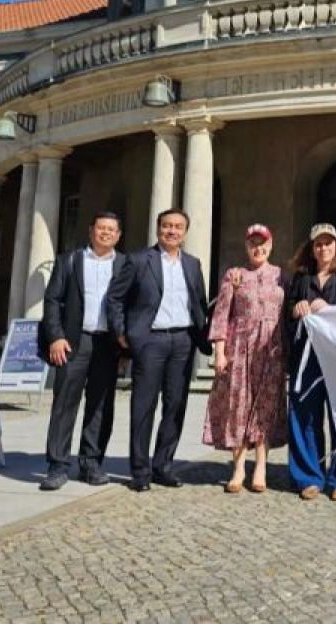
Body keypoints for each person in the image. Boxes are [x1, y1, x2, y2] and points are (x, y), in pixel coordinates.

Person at [107, 208, 208, 492]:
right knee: (143, 406)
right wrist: (123, 333)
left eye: (178, 227)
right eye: (167, 226)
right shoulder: (139, 260)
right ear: (158, 229)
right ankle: (140, 471)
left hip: (183, 341)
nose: (172, 231)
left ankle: (163, 466)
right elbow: (115, 298)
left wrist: (204, 334)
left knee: (175, 406)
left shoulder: (192, 263)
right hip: (150, 341)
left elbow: (199, 301)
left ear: (185, 232)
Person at [38, 211, 128, 491]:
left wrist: (127, 346)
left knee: (101, 405)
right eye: (101, 228)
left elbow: (132, 305)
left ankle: (91, 463)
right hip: (74, 342)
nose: (105, 233)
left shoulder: (126, 264)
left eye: (111, 229)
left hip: (108, 343)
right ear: (91, 230)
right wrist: (55, 337)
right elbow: (52, 300)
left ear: (118, 235)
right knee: (65, 403)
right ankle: (57, 465)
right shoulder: (70, 260)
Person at [202, 224, 288, 494]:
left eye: (262, 243)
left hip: (270, 349)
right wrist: (219, 352)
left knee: (265, 406)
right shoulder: (234, 275)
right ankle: (238, 467)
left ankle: (261, 465)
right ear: (246, 246)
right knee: (238, 406)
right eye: (252, 243)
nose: (257, 248)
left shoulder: (281, 276)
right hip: (239, 347)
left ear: (271, 245)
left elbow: (287, 316)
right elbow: (221, 314)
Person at [285, 223, 336, 501]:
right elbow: (288, 313)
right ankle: (308, 475)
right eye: (318, 244)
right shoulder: (301, 277)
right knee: (305, 415)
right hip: (306, 358)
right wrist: (297, 309)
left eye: (329, 243)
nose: (323, 248)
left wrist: (331, 311)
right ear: (311, 248)